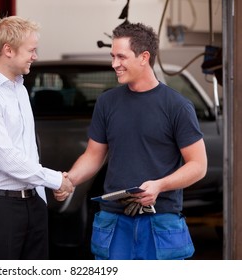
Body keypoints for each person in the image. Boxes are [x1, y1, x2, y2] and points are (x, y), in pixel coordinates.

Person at [55, 22, 207, 260]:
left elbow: (198, 166)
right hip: (114, 222)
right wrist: (69, 181)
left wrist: (159, 185)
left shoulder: (177, 106)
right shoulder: (107, 103)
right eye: (113, 56)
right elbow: (94, 155)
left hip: (161, 223)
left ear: (144, 57)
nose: (114, 64)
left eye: (121, 57)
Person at [0, 15, 74, 260]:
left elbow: (27, 149)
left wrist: (44, 188)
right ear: (8, 50)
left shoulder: (20, 88)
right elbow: (5, 157)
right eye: (31, 50)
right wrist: (54, 179)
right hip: (0, 209)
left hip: (32, 203)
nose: (35, 56)